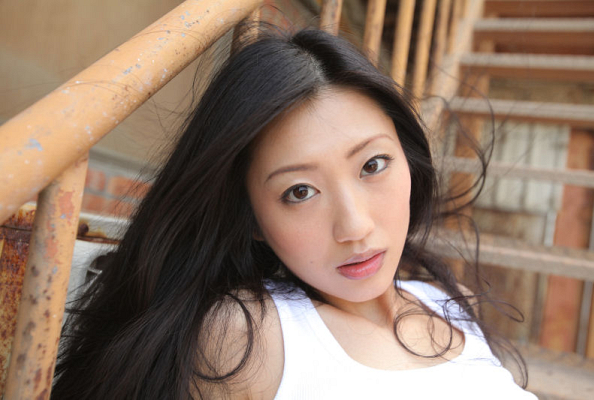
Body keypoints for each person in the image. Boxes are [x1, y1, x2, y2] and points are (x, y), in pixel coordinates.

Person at [51, 26, 538, 399]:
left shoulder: (451, 302)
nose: (355, 226)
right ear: (252, 220)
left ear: (408, 160)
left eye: (372, 165)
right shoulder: (248, 338)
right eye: (300, 192)